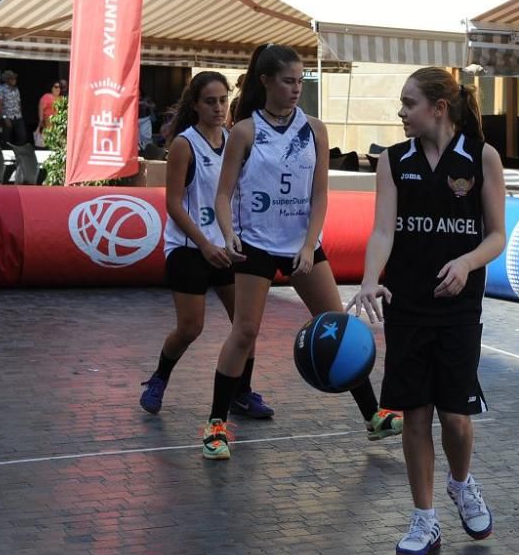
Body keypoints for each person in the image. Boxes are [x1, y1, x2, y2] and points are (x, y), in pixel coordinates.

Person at [201, 44, 402, 461]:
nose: (296, 89)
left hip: (301, 246)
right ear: (266, 82)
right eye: (288, 81)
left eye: (300, 81)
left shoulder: (315, 129)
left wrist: (310, 245)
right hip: (254, 243)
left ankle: (374, 416)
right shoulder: (245, 131)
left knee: (341, 328)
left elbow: (320, 195)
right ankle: (216, 424)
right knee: (246, 331)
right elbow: (223, 195)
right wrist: (227, 233)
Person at [347, 66, 506, 555]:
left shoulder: (482, 157)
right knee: (415, 415)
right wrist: (371, 278)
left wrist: (466, 261)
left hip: (459, 306)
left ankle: (462, 483)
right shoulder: (394, 161)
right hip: (408, 304)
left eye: (408, 102)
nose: (400, 112)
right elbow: (382, 232)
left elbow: (497, 235)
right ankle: (425, 520)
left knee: (455, 418)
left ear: (439, 107)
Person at [138, 71, 274, 421]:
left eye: (222, 101)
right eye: (210, 101)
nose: (218, 108)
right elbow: (173, 204)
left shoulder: (235, 140)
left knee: (246, 325)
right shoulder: (185, 144)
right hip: (188, 246)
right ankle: (160, 378)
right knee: (190, 327)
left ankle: (241, 393)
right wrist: (204, 244)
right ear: (195, 106)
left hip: (226, 245)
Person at [0, 70, 26, 145]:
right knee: (6, 138)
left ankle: (18, 152)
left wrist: (20, 114)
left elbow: (19, 102)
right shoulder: (1, 89)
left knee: (22, 136)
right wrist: (5, 117)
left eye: (15, 78)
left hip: (17, 116)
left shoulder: (16, 89)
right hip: (7, 117)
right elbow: (0, 104)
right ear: (7, 80)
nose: (14, 80)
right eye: (12, 78)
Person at [36, 80, 63, 147]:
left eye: (59, 87)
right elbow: (41, 108)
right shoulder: (46, 96)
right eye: (56, 87)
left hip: (58, 124)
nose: (58, 89)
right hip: (48, 122)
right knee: (47, 142)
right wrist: (41, 120)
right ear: (51, 88)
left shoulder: (62, 98)